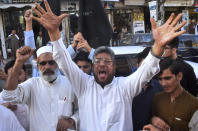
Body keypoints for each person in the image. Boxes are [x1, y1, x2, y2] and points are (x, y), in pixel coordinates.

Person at [31, 0, 186, 130]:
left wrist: (158, 45)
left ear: (114, 67)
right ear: (92, 67)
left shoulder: (124, 87)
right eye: (97, 61)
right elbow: (64, 62)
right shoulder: (83, 85)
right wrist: (53, 33)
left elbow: (145, 71)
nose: (102, 64)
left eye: (107, 61)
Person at [2, 46, 79, 131]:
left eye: (51, 62)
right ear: (38, 66)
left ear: (57, 63)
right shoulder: (32, 84)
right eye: (43, 63)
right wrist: (19, 62)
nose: (47, 67)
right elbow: (9, 96)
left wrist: (72, 120)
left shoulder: (69, 83)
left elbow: (84, 107)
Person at [151, 58, 198, 131]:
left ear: (179, 76)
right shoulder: (157, 98)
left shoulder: (194, 104)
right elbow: (152, 118)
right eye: (160, 79)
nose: (163, 84)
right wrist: (153, 120)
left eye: (167, 78)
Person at [132, 47, 163, 131]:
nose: (146, 72)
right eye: (143, 68)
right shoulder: (125, 87)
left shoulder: (160, 88)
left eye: (150, 68)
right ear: (137, 66)